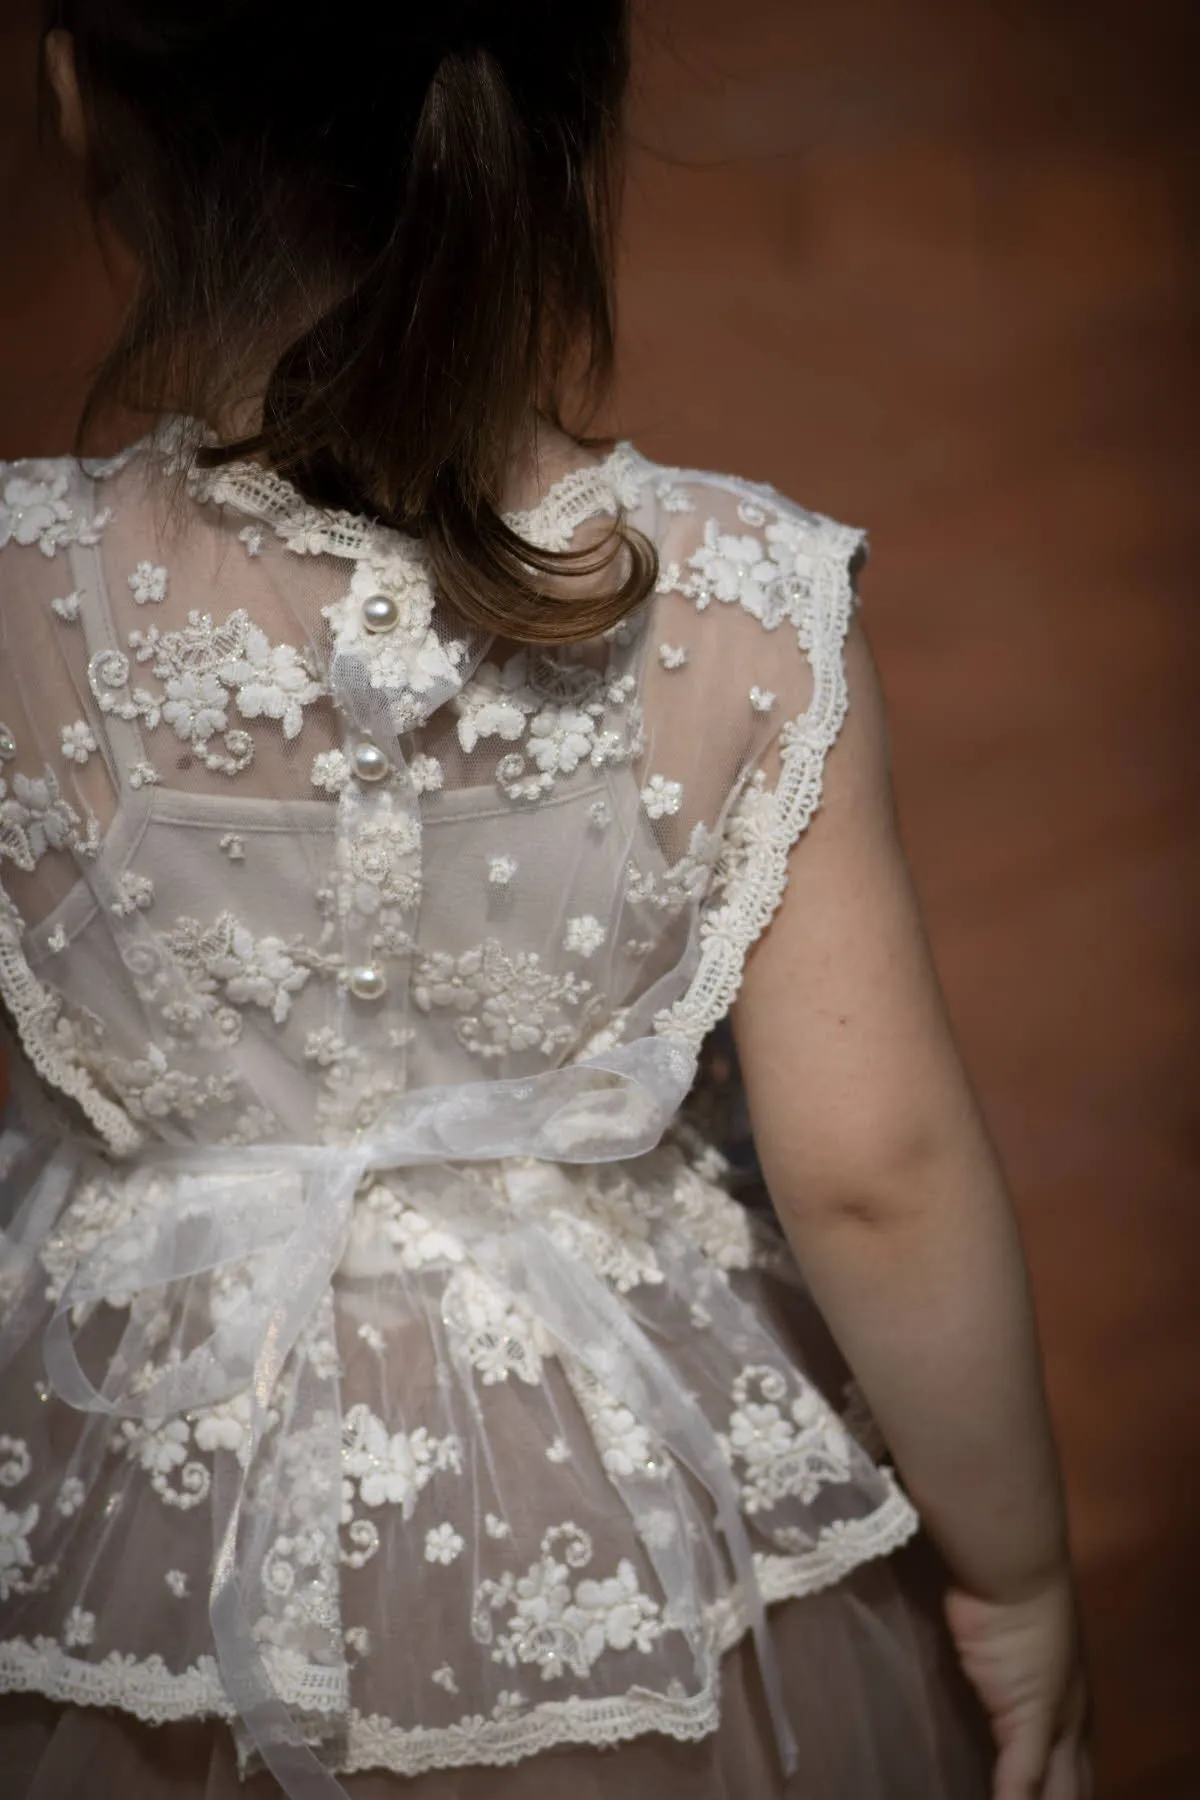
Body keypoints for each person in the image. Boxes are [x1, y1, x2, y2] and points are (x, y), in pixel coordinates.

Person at [0, 4, 1093, 1797]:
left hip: (131, 1474)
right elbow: (877, 1175)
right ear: (570, 109)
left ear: (76, 94)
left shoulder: (22, 590)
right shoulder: (741, 603)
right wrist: (1026, 1573)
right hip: (624, 1489)